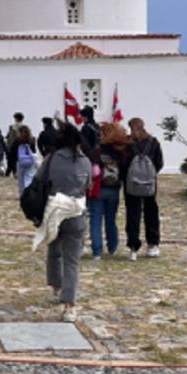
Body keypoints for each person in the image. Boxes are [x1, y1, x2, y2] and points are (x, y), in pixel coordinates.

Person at [33, 123, 92, 323]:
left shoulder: (51, 160)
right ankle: (69, 306)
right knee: (72, 261)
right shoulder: (85, 161)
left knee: (54, 250)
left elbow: (39, 180)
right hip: (76, 213)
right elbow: (88, 185)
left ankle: (57, 287)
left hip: (54, 212)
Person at [123, 117, 164, 261]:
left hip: (132, 185)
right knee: (151, 212)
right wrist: (149, 175)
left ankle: (133, 247)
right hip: (149, 184)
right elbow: (159, 163)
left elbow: (123, 164)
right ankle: (153, 244)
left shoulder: (128, 144)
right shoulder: (153, 143)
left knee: (133, 214)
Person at [89, 122, 128, 260]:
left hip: (98, 188)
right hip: (114, 189)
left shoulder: (96, 150)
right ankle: (112, 247)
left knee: (95, 220)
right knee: (111, 220)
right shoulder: (119, 150)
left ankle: (97, 251)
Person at [16, 125, 37, 197]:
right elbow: (34, 151)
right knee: (29, 178)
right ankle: (29, 193)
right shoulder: (32, 140)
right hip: (30, 161)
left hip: (20, 162)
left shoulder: (18, 141)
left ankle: (23, 194)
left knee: (21, 181)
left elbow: (12, 151)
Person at [5, 112, 25, 177]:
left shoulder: (13, 127)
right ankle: (14, 172)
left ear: (16, 118)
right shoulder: (24, 127)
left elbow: (11, 138)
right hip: (21, 146)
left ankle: (12, 173)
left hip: (13, 146)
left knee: (12, 161)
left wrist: (8, 147)